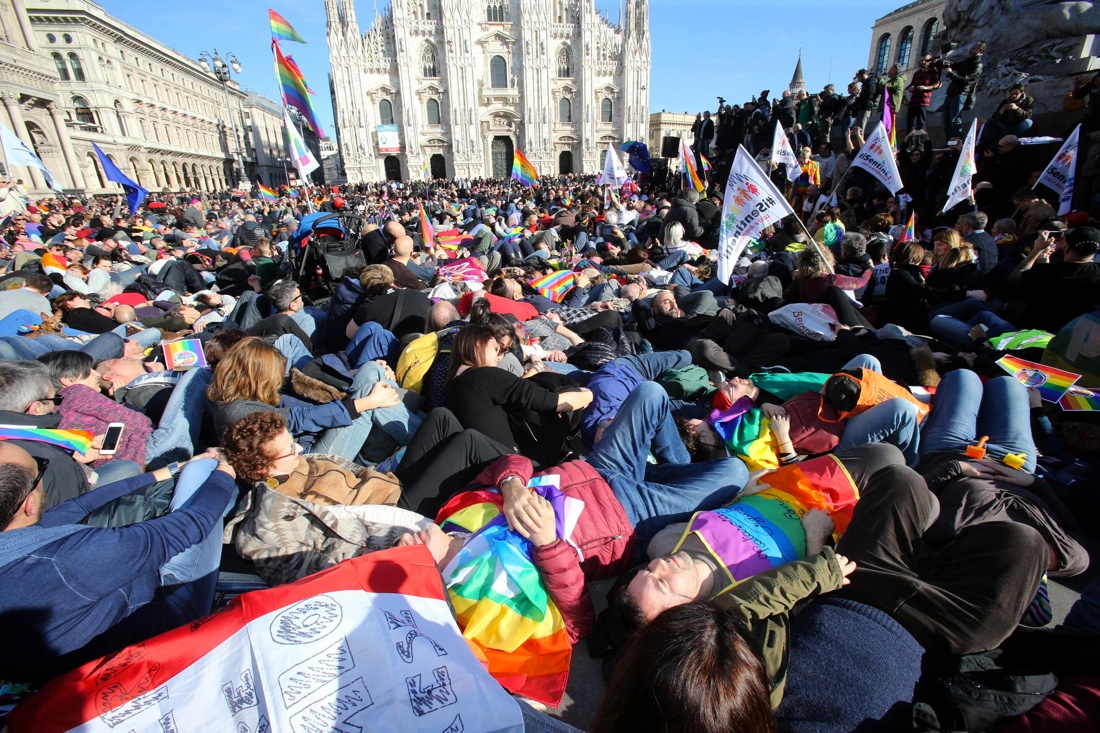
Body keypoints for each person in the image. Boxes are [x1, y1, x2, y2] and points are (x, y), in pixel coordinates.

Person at [0, 443, 236, 683]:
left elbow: (81, 505)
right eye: (40, 468)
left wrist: (174, 469)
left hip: (90, 619)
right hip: (169, 616)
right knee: (204, 471)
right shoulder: (68, 562)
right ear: (29, 504)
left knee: (190, 472)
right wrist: (227, 469)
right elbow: (191, 524)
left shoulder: (17, 536)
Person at [944, 41, 985, 139]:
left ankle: (957, 140)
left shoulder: (977, 65)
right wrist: (943, 62)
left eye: (974, 48)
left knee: (955, 119)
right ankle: (949, 142)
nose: (970, 50)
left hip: (960, 93)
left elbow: (966, 81)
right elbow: (954, 65)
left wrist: (951, 74)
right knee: (946, 119)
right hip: (951, 92)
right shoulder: (967, 61)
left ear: (980, 51)